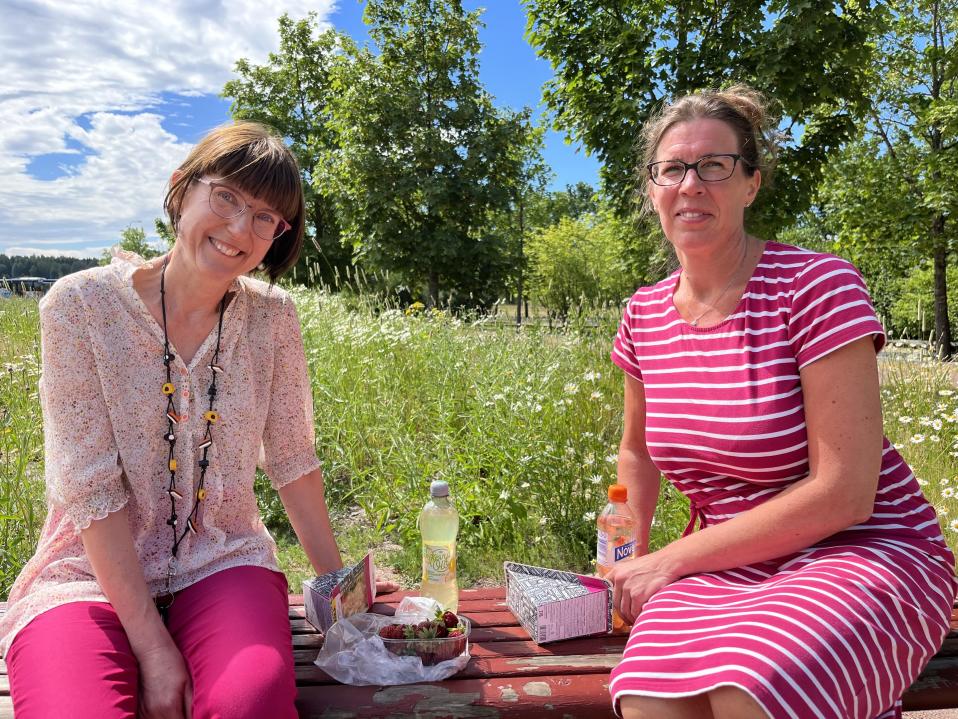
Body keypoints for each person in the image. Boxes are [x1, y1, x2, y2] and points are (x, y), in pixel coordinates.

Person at [0, 121, 396, 719]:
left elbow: (292, 461)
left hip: (223, 557)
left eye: (266, 217)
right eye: (228, 196)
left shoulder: (273, 319)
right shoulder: (79, 308)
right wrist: (154, 649)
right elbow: (90, 493)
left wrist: (342, 589)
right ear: (181, 190)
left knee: (251, 704)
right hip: (86, 574)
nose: (241, 228)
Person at [606, 86, 956, 719]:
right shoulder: (643, 313)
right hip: (726, 561)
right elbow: (637, 453)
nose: (692, 184)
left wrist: (670, 561)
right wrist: (622, 560)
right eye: (673, 169)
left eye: (715, 165)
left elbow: (846, 492)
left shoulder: (815, 286)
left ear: (751, 184)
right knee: (650, 698)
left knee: (751, 689)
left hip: (863, 546)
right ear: (651, 189)